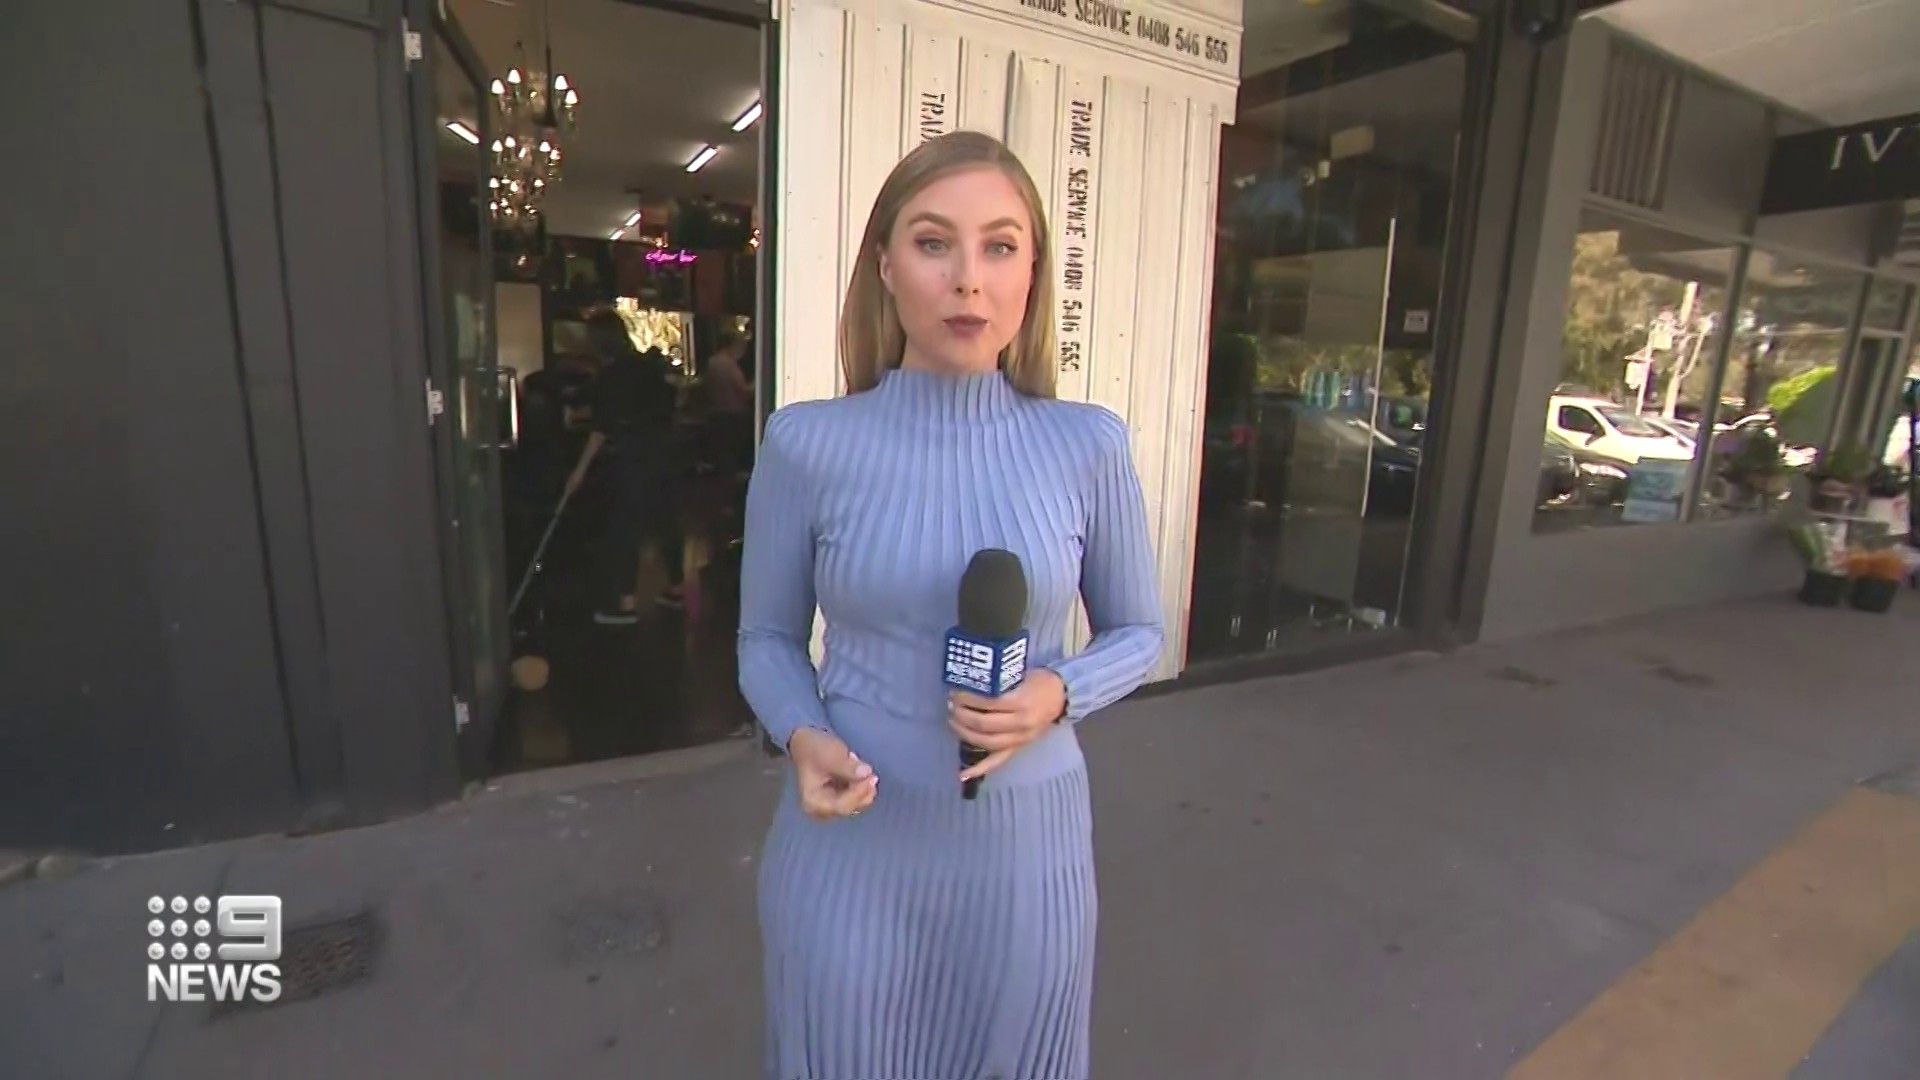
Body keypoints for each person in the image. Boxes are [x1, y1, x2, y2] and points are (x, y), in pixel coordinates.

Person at [737, 130, 1163, 1079]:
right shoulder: (806, 444)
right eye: (934, 243)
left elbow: (1141, 632)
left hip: (1027, 862)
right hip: (850, 848)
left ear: (1032, 273)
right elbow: (765, 638)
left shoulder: (1087, 444)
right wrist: (803, 735)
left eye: (1000, 246)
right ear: (885, 266)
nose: (969, 278)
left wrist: (1057, 692)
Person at [565, 312, 686, 622]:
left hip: (635, 454)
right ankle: (677, 588)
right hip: (666, 449)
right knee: (666, 520)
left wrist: (578, 472)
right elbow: (670, 401)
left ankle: (625, 603)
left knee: (625, 525)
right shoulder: (648, 366)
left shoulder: (610, 376)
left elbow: (600, 428)